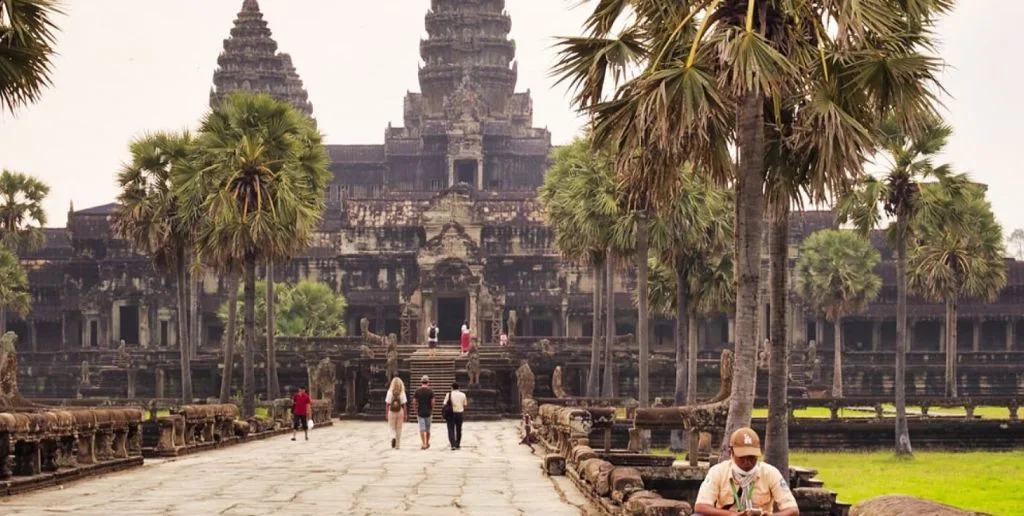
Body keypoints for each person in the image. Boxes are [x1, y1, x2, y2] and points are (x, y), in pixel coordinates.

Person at [694, 427, 799, 516]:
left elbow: (793, 510)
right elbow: (700, 506)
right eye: (742, 457)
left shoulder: (770, 472)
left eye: (752, 457)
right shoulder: (718, 471)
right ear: (731, 452)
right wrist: (732, 515)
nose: (747, 462)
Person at [443, 381, 468, 450]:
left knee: (451, 429)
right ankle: (458, 444)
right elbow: (465, 404)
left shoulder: (449, 394)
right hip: (459, 413)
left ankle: (453, 444)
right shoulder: (463, 394)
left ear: (452, 388)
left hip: (451, 413)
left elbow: (444, 404)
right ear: (459, 388)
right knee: (459, 429)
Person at [384, 377, 408, 449]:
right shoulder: (402, 392)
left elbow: (387, 404)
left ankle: (393, 437)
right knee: (399, 428)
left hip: (391, 411)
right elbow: (404, 405)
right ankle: (397, 445)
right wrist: (405, 415)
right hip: (400, 410)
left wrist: (386, 413)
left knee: (392, 427)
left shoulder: (389, 392)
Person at [414, 375, 435, 449]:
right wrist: (432, 409)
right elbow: (433, 402)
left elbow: (414, 401)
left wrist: (415, 410)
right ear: (428, 382)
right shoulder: (430, 391)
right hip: (428, 412)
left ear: (421, 382)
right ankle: (427, 442)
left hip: (420, 412)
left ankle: (423, 443)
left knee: (422, 428)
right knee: (428, 428)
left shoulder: (417, 391)